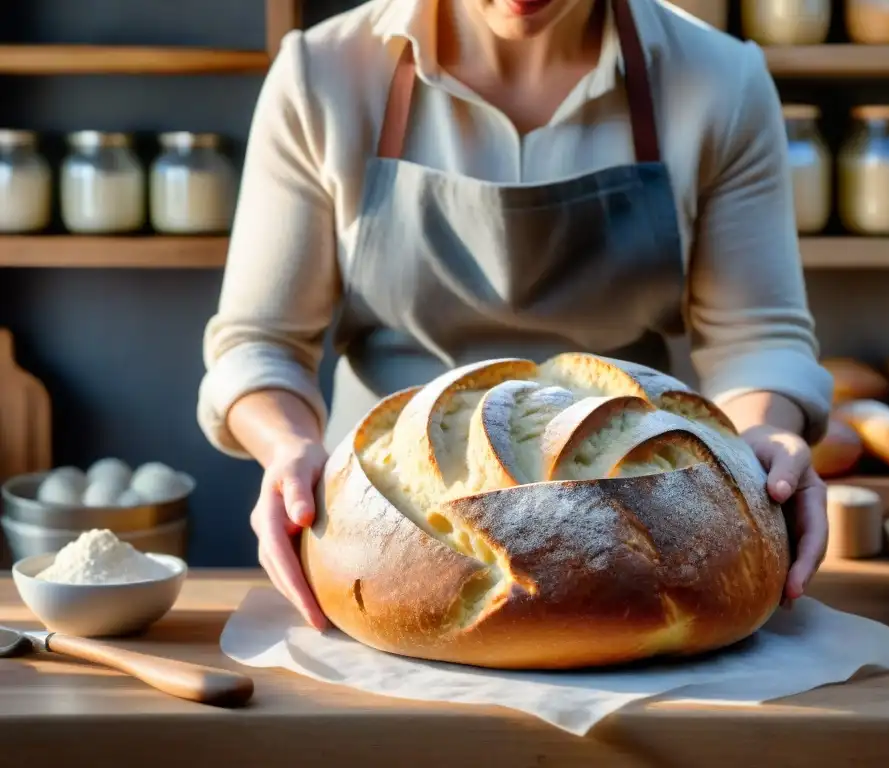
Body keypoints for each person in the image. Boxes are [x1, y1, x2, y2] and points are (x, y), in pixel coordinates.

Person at [198, 0, 835, 631]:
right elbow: (261, 343)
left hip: (646, 522)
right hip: (385, 532)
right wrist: (289, 448)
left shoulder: (719, 80)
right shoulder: (325, 75)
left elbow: (757, 336)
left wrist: (763, 444)